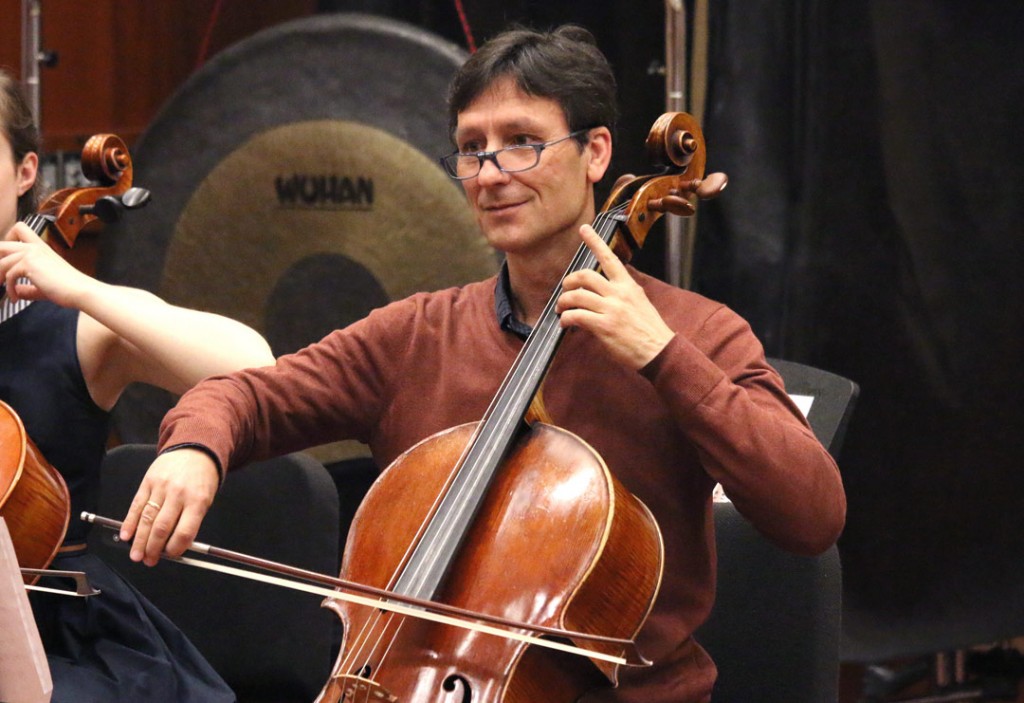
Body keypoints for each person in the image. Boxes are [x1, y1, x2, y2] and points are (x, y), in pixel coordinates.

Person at [122, 25, 846, 703]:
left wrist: (662, 358)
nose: (491, 172)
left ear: (595, 153)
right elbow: (247, 396)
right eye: (472, 148)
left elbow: (812, 513)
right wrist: (194, 446)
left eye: (523, 142)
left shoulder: (697, 333)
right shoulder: (416, 334)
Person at [0, 69, 276, 702]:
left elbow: (254, 365)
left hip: (58, 633)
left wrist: (85, 291)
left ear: (24, 173)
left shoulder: (79, 329)